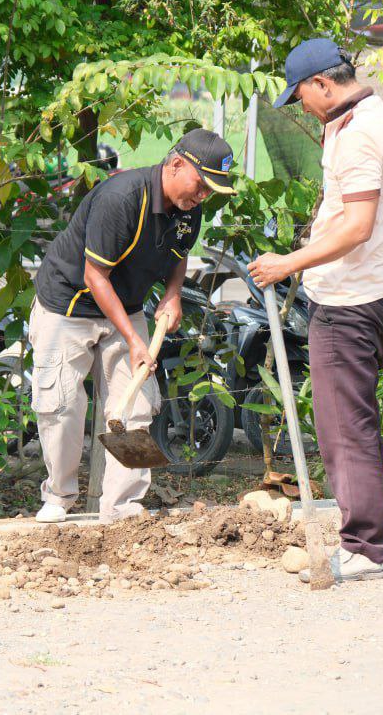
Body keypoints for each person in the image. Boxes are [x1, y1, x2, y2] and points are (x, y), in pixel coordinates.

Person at [248, 38, 383, 581]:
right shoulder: (366, 117)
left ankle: (363, 548)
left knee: (345, 429)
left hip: (348, 304)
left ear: (323, 83)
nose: (303, 107)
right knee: (351, 423)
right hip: (368, 294)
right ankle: (364, 542)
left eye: (302, 96)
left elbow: (358, 227)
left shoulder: (360, 134)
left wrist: (288, 263)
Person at [31, 129, 236, 523]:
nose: (203, 196)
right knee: (62, 405)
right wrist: (133, 339)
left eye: (211, 190)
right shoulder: (121, 198)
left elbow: (179, 252)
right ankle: (59, 495)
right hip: (69, 304)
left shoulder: (189, 207)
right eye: (201, 184)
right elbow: (95, 276)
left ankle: (122, 506)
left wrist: (173, 294)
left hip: (125, 306)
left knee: (136, 405)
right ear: (176, 164)